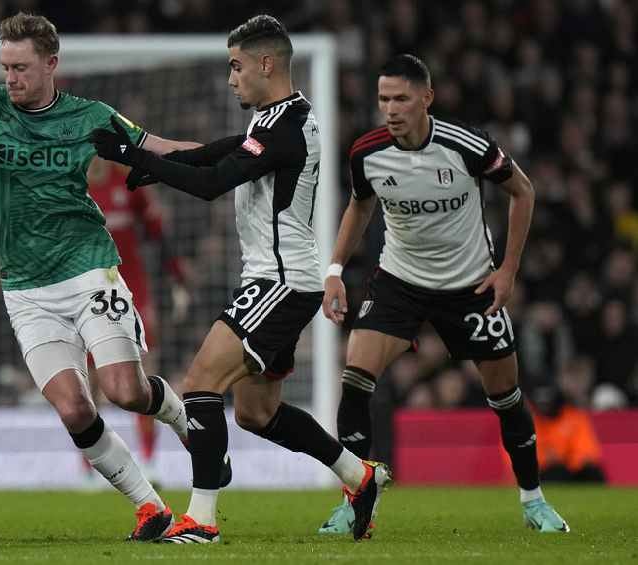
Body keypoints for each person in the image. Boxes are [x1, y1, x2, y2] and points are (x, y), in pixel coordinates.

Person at [0, 14, 210, 541]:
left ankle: (185, 423)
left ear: (51, 64)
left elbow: (158, 147)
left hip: (89, 270)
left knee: (123, 391)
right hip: (25, 289)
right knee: (72, 407)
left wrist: (240, 153)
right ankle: (149, 507)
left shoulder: (91, 117)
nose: (10, 77)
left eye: (20, 67)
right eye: (4, 67)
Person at [92, 15, 391, 544]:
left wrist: (131, 157)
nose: (231, 78)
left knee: (200, 381)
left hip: (280, 280)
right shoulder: (277, 118)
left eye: (236, 66)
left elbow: (212, 183)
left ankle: (202, 520)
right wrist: (152, 162)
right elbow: (216, 152)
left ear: (266, 63)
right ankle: (357, 475)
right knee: (256, 413)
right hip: (281, 279)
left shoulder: (286, 125)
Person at [319, 54, 569, 533]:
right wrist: (334, 269)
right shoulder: (366, 152)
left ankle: (534, 501)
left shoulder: (465, 145)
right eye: (383, 99)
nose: (390, 109)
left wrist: (508, 270)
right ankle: (355, 502)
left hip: (470, 284)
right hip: (399, 281)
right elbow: (359, 206)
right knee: (354, 377)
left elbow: (524, 192)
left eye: (401, 99)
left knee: (506, 397)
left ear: (426, 99)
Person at [85, 158, 190, 481]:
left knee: (144, 371)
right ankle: (89, 466)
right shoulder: (72, 184)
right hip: (88, 291)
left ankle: (149, 458)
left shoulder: (128, 182)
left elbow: (158, 233)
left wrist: (177, 281)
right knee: (87, 380)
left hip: (133, 291)